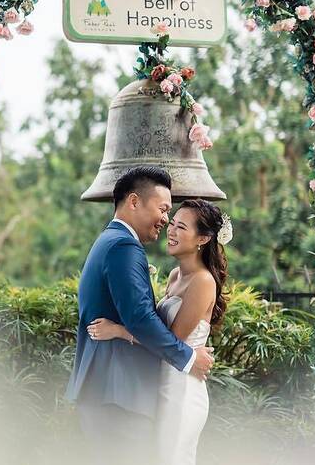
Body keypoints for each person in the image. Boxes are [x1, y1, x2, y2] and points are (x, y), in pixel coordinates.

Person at [65, 166, 215, 465]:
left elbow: (139, 320)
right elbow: (141, 319)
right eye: (163, 209)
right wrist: (187, 357)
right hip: (119, 392)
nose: (166, 222)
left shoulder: (110, 241)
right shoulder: (123, 246)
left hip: (115, 392)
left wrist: (120, 330)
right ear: (134, 202)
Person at [87, 198, 231, 465]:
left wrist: (119, 330)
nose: (171, 231)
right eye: (172, 223)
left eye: (182, 228)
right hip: (160, 381)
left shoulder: (202, 281)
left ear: (203, 238)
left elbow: (170, 338)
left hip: (182, 389)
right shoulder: (176, 275)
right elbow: (157, 328)